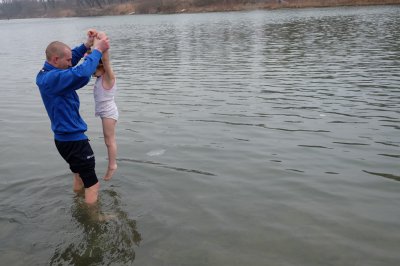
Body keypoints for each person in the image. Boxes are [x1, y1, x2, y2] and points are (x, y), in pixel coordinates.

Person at [36, 30, 110, 204]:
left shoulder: (45, 73)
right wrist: (98, 50)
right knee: (92, 183)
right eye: (68, 60)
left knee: (79, 176)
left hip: (63, 140)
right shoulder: (53, 79)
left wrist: (87, 44)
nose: (71, 63)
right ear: (55, 60)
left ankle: (77, 202)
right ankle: (93, 219)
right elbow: (82, 74)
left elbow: (71, 62)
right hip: (74, 141)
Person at [91, 32, 119, 181]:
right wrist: (95, 39)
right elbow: (93, 54)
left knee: (109, 140)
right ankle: (112, 164)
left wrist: (103, 42)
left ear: (101, 68)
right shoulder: (100, 77)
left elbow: (106, 59)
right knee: (107, 139)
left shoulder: (108, 77)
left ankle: (112, 165)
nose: (92, 74)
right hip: (104, 112)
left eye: (94, 71)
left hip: (109, 112)